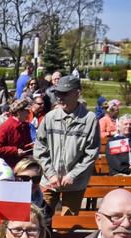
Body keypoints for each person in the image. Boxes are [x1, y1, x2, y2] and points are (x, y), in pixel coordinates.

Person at [34, 75, 99, 216]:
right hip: (49, 181)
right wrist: (51, 174)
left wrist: (72, 175)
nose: (60, 98)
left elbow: (91, 153)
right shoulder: (50, 117)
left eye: (65, 94)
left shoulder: (89, 119)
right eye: (58, 93)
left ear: (77, 93)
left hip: (75, 183)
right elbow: (40, 149)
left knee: (69, 221)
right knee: (42, 217)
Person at [0, 99, 34, 169]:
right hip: (9, 167)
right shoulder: (5, 128)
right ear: (19, 113)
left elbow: (27, 144)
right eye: (27, 111)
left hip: (24, 165)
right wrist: (15, 151)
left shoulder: (25, 126)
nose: (29, 113)